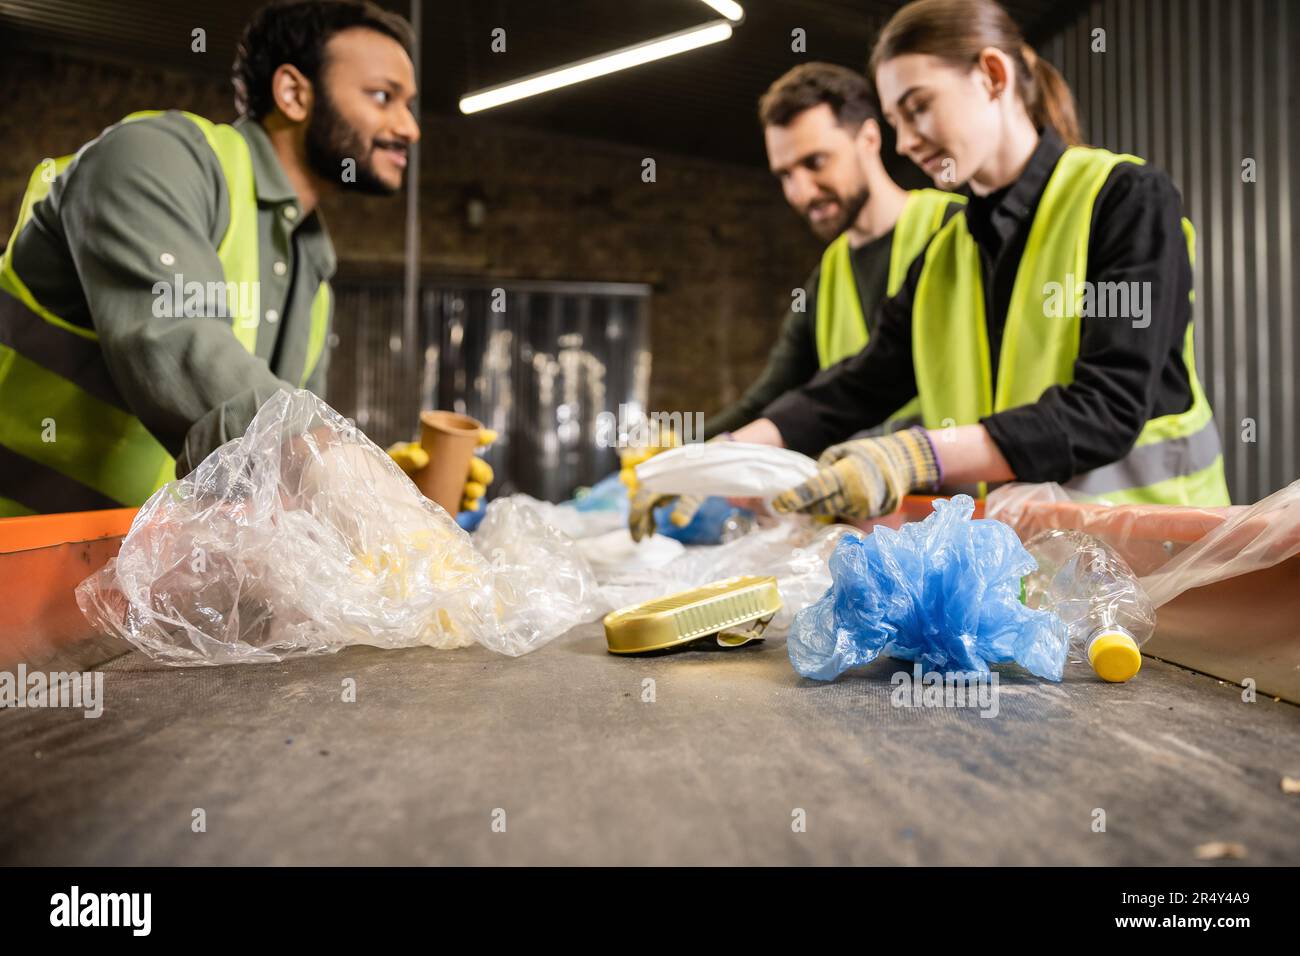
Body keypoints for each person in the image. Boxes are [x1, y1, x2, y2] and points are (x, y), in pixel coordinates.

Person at [723, 0, 1230, 523]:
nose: (906, 142)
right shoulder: (947, 253)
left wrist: (916, 455)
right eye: (895, 120)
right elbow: (862, 383)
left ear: (992, 75)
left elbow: (1109, 406)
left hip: (1162, 554)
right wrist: (729, 452)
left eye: (918, 107)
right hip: (1039, 567)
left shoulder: (1124, 200)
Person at [0, 0, 490, 517]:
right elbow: (184, 345)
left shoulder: (313, 275)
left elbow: (266, 477)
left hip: (132, 585)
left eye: (408, 104)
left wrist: (385, 481)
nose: (410, 128)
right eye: (383, 97)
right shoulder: (150, 160)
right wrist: (346, 476)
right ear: (294, 93)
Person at [626, 62, 963, 540]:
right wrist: (690, 456)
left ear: (869, 138)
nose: (801, 191)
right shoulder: (827, 277)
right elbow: (774, 398)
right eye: (785, 174)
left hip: (963, 517)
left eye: (816, 162)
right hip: (863, 524)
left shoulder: (957, 234)